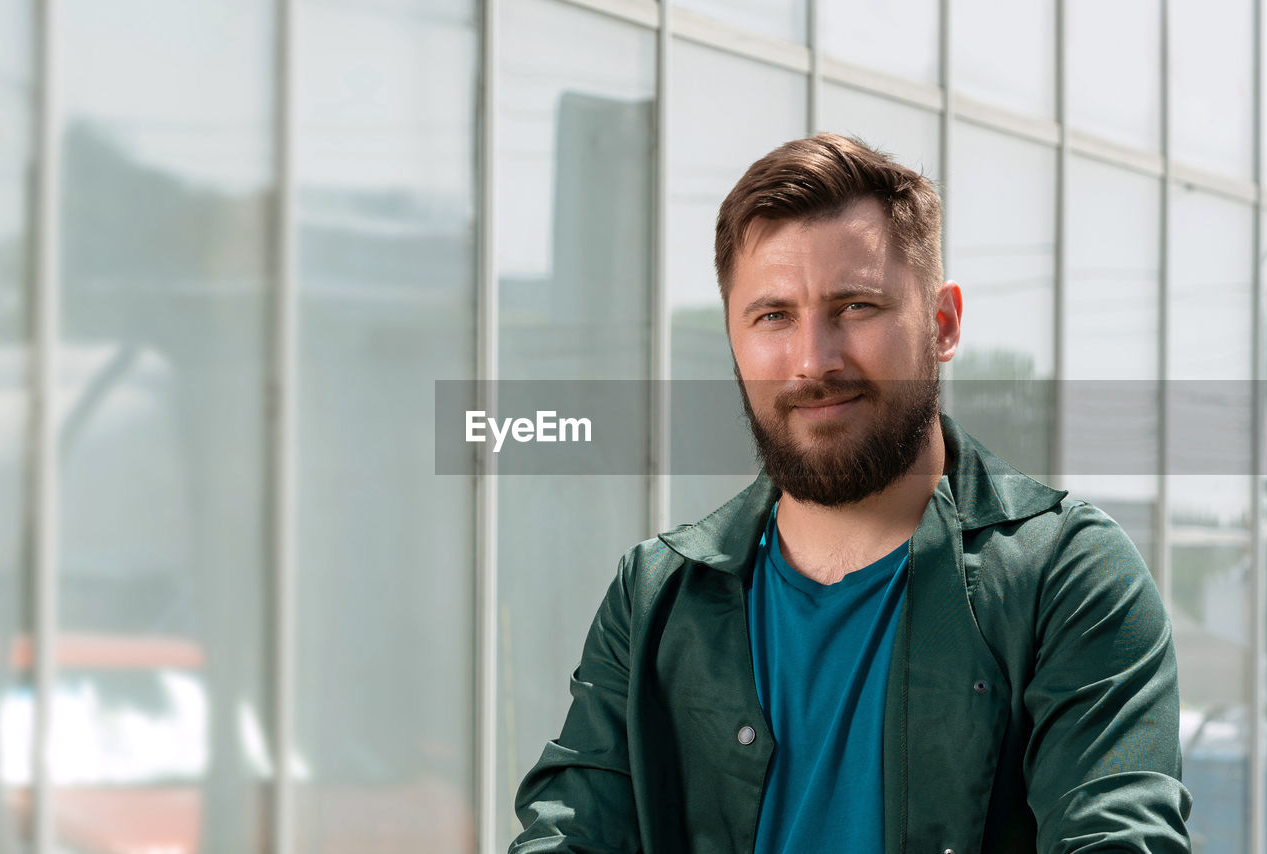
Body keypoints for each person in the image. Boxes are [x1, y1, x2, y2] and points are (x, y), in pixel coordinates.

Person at [510, 134, 1191, 853]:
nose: (813, 361)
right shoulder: (656, 596)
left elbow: (1115, 834)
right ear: (735, 344)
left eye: (857, 306)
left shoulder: (1068, 578)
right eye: (773, 316)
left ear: (943, 322)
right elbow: (569, 832)